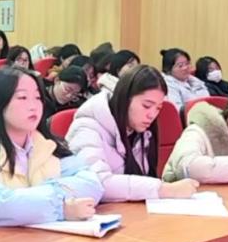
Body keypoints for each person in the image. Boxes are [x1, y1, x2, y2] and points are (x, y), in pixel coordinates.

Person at [0, 67, 102, 231]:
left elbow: (92, 184)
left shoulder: (47, 145)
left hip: (40, 238)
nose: (33, 106)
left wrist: (34, 201)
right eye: (22, 97)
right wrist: (60, 207)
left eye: (37, 97)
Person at [67, 65, 199, 201]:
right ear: (125, 99)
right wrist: (162, 189)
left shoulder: (139, 131)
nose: (152, 115)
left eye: (158, 108)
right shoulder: (86, 128)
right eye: (147, 106)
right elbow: (95, 184)